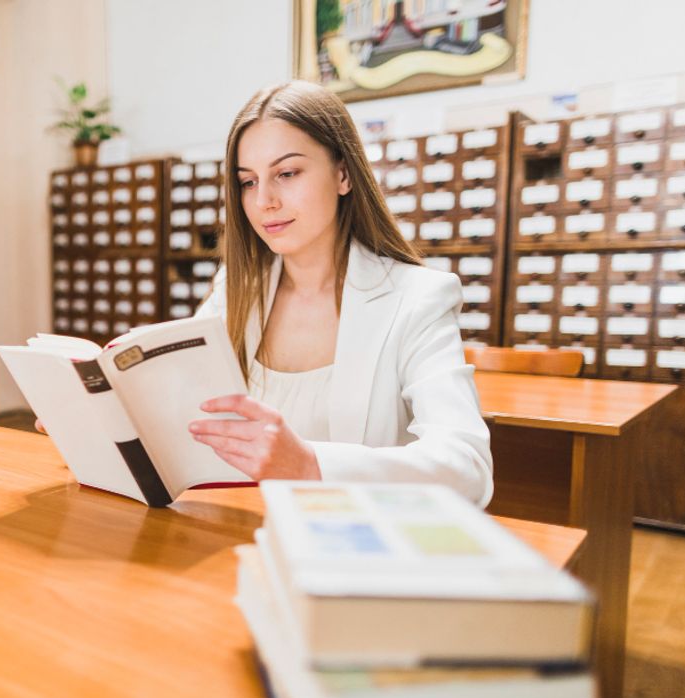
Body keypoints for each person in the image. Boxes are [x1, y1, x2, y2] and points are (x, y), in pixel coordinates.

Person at [187, 80, 493, 507]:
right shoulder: (235, 292)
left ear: (343, 174)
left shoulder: (418, 298)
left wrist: (312, 464)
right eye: (247, 182)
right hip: (246, 531)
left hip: (359, 543)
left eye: (287, 174)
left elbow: (468, 467)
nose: (265, 201)